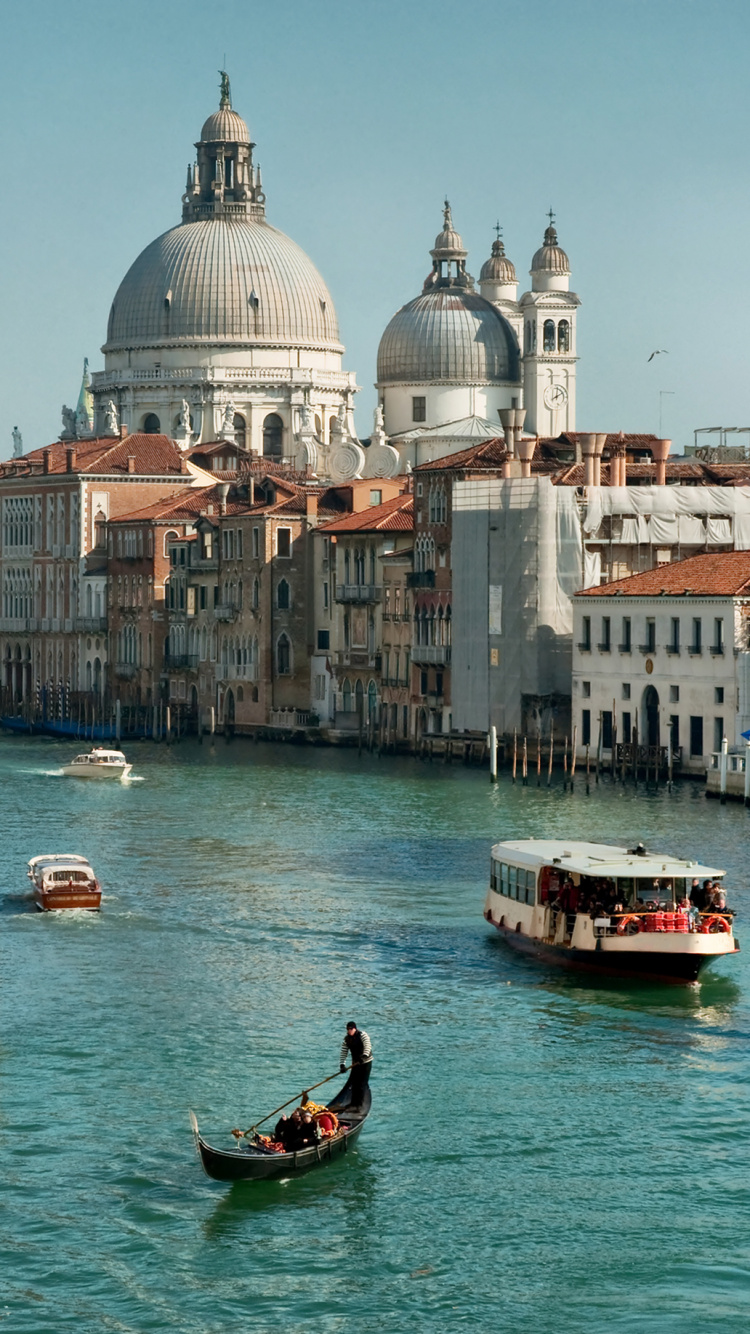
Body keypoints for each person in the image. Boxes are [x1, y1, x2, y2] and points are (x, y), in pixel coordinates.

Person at [339, 1021, 373, 1105]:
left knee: (361, 1083)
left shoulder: (363, 1035)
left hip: (366, 1063)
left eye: (351, 1029)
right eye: (348, 1029)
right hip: (355, 1063)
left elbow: (367, 1046)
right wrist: (342, 1065)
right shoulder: (346, 1039)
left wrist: (364, 1057)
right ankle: (353, 1103)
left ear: (355, 1028)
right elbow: (344, 1052)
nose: (349, 1031)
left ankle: (359, 1104)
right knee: (354, 1083)